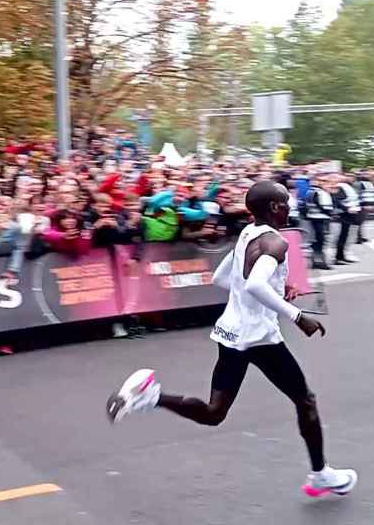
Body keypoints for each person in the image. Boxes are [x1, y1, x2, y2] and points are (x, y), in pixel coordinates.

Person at [106, 181, 357, 497]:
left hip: (232, 333)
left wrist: (275, 291)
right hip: (260, 338)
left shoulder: (247, 234)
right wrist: (298, 316)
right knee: (305, 400)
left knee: (214, 413)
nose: (290, 205)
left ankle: (151, 397)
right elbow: (254, 285)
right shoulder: (276, 243)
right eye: (285, 202)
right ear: (275, 208)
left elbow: (222, 278)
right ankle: (320, 474)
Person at [304, 176, 333, 270]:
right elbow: (323, 207)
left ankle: (315, 261)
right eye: (325, 182)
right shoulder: (319, 193)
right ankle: (321, 261)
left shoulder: (310, 192)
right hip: (321, 219)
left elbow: (305, 206)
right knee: (322, 241)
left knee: (316, 241)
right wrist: (330, 214)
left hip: (313, 218)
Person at [332, 175, 360, 265]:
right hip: (345, 214)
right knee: (343, 236)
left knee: (346, 236)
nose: (352, 178)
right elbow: (337, 200)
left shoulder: (347, 186)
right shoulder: (341, 186)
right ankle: (339, 257)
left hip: (350, 213)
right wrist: (346, 208)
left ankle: (342, 256)